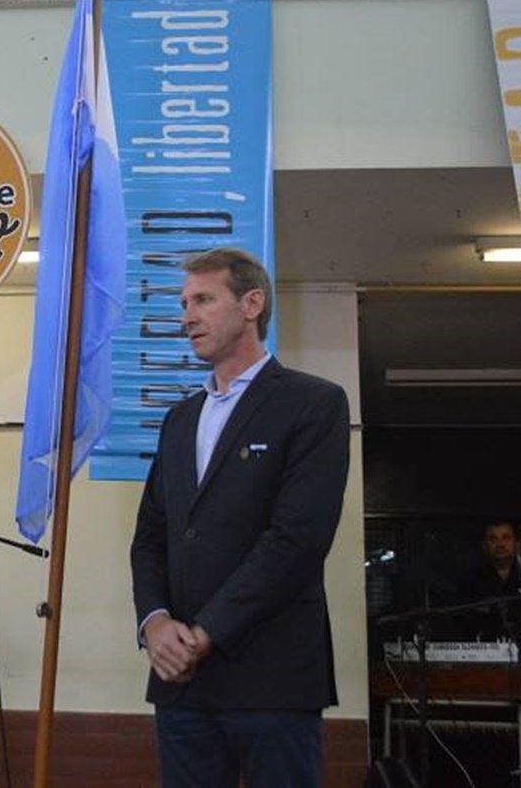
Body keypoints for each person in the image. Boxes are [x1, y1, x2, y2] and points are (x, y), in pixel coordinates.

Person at [129, 248, 351, 788]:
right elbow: (151, 538)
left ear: (252, 304)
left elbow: (297, 540)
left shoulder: (313, 403)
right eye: (184, 303)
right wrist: (154, 623)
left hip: (271, 679)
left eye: (203, 300)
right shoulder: (179, 420)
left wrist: (206, 634)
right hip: (181, 684)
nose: (187, 316)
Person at [457, 520, 521, 642]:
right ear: (484, 546)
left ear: (517, 545)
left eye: (506, 538)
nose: (500, 544)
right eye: (493, 539)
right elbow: (462, 618)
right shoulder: (470, 580)